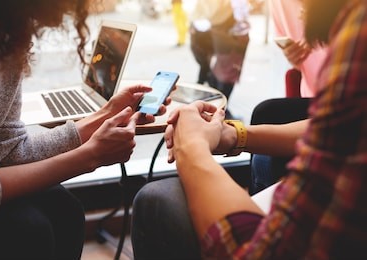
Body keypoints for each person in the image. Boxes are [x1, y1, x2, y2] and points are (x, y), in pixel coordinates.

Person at [131, 0, 367, 259]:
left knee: (155, 198)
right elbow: (338, 132)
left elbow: (264, 254)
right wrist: (233, 135)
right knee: (269, 112)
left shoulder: (359, 32)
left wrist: (192, 148)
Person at [0, 1, 170, 259]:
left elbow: (4, 151)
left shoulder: (8, 35)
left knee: (65, 209)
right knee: (28, 231)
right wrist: (90, 157)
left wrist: (105, 115)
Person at [250, 0, 330, 194]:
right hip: (313, 96)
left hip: (339, 101)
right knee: (265, 113)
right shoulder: (278, 4)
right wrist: (293, 58)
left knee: (266, 114)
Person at [189, 0, 250, 119]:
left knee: (220, 71)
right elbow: (239, 8)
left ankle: (216, 110)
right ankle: (219, 112)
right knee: (228, 72)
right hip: (229, 29)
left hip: (215, 26)